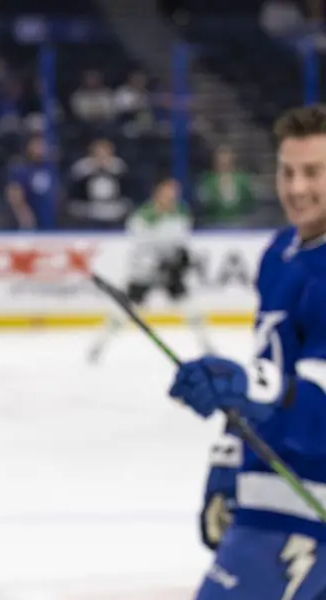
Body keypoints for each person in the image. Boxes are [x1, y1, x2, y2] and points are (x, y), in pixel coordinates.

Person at [168, 104, 326, 599]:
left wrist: (245, 387)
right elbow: (270, 365)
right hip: (268, 493)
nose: (297, 187)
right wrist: (226, 460)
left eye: (314, 173)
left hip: (310, 508)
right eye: (288, 171)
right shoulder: (279, 252)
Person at [87, 176, 210, 363]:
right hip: (144, 273)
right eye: (168, 190)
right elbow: (138, 246)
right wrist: (154, 262)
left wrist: (180, 258)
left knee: (191, 308)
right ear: (157, 192)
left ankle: (207, 346)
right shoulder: (143, 216)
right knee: (124, 310)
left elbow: (182, 241)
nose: (172, 195)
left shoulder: (181, 213)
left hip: (170, 272)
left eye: (175, 191)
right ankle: (99, 346)